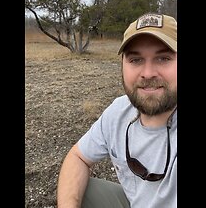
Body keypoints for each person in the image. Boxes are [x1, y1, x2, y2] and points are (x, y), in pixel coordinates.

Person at [57, 13, 177, 208]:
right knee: (82, 190)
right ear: (122, 66)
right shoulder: (119, 111)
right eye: (136, 60)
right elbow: (78, 157)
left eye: (163, 58)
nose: (147, 73)